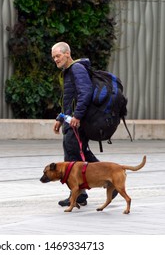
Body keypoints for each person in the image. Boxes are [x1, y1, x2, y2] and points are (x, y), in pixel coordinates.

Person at [51, 41, 98, 207]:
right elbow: (69, 100)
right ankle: (81, 193)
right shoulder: (68, 71)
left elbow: (86, 93)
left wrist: (77, 116)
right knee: (82, 154)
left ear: (67, 54)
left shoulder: (77, 69)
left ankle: (79, 193)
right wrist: (60, 118)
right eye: (54, 57)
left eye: (58, 56)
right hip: (70, 121)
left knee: (72, 157)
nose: (55, 59)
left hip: (76, 123)